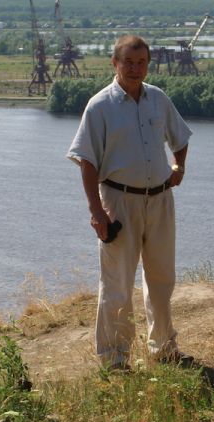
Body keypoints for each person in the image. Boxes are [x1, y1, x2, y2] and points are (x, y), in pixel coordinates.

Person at [67, 35, 194, 372]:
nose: (135, 68)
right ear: (115, 63)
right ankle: (114, 359)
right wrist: (97, 213)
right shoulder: (99, 106)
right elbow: (87, 162)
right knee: (117, 284)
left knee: (162, 278)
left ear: (148, 65)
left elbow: (180, 137)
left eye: (141, 62)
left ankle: (163, 348)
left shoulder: (158, 99)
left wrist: (179, 166)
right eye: (129, 62)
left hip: (160, 201)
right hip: (119, 202)